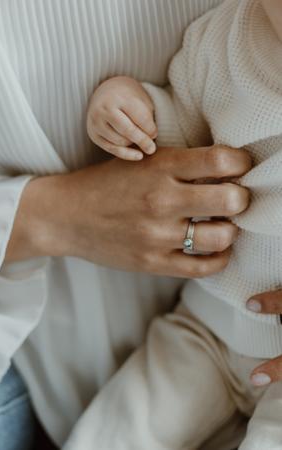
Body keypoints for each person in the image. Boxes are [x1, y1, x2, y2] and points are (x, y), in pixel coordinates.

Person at [64, 0, 282, 449]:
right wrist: (129, 107)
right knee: (113, 434)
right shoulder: (227, 39)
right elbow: (178, 130)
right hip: (205, 327)